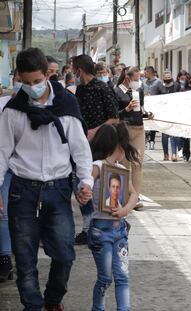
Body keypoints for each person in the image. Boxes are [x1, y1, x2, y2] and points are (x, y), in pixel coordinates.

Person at [0, 47, 93, 310]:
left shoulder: (67, 104)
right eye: (26, 83)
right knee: (26, 261)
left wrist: (86, 182)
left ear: (47, 75)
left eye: (37, 81)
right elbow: (2, 152)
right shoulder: (12, 110)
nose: (32, 87)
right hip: (22, 190)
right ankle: (33, 306)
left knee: (65, 254)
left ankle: (53, 301)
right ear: (18, 77)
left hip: (58, 189)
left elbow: (80, 150)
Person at [88, 122, 138, 311]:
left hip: (120, 230)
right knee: (105, 278)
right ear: (118, 145)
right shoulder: (98, 166)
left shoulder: (120, 169)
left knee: (122, 276)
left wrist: (125, 210)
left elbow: (134, 194)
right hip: (101, 230)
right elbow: (87, 182)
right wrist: (84, 190)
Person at [73, 54, 119, 245]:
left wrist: (94, 131)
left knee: (100, 182)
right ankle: (87, 225)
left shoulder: (102, 88)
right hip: (82, 143)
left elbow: (114, 117)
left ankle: (111, 221)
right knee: (81, 180)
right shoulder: (80, 90)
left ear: (80, 69)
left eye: (74, 68)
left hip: (100, 143)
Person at [114, 66, 153, 210]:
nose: (138, 82)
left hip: (139, 128)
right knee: (125, 164)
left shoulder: (139, 91)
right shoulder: (117, 91)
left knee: (138, 163)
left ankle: (135, 196)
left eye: (139, 79)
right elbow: (115, 114)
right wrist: (127, 109)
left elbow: (140, 110)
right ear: (127, 78)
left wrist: (147, 114)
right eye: (136, 79)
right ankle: (124, 196)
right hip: (124, 129)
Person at [0, 71, 21, 282]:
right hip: (5, 167)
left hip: (25, 169)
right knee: (4, 211)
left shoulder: (38, 107)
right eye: (20, 81)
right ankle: (5, 256)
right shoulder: (3, 105)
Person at [143, 66, 165, 150]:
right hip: (145, 105)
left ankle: (152, 140)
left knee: (152, 124)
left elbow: (163, 93)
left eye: (145, 72)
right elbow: (141, 91)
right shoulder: (144, 82)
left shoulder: (158, 82)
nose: (144, 74)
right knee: (145, 123)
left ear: (150, 72)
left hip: (154, 106)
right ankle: (145, 140)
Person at [162, 71, 179, 161]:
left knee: (173, 134)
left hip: (174, 112)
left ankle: (174, 154)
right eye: (166, 77)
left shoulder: (176, 86)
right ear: (163, 78)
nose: (168, 78)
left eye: (169, 77)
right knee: (164, 135)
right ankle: (165, 154)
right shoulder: (161, 87)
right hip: (164, 114)